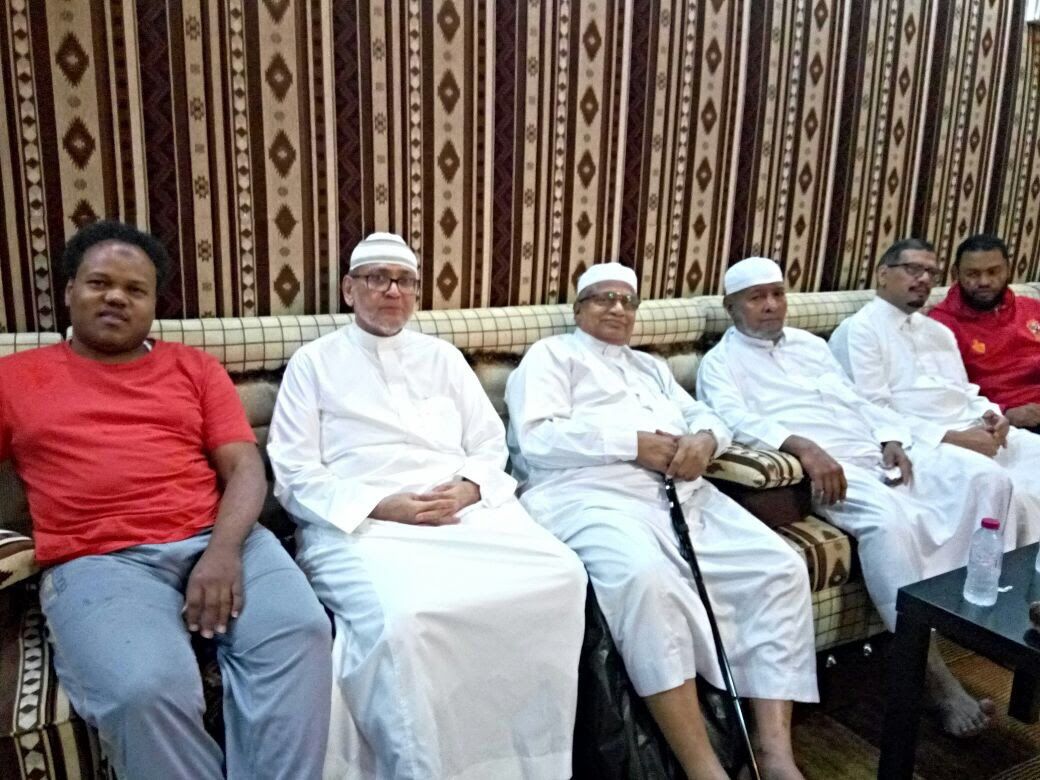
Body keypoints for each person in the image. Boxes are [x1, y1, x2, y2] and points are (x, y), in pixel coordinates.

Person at [0, 220, 332, 779]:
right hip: (99, 560)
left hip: (220, 537)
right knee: (147, 688)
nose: (116, 297)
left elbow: (245, 467)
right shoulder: (15, 379)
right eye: (100, 283)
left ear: (153, 304)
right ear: (70, 291)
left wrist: (223, 552)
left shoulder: (193, 368)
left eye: (135, 289)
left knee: (301, 632)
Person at [267, 232, 587, 780]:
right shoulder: (313, 363)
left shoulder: (443, 357)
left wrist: (468, 487)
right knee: (405, 617)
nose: (392, 291)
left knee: (562, 574)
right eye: (377, 279)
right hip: (364, 524)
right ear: (349, 289)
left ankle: (527, 764)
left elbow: (489, 443)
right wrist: (381, 505)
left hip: (463, 512)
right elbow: (295, 473)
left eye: (405, 281)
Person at [504, 263, 818, 780]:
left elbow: (705, 415)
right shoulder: (551, 356)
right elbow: (537, 438)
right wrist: (632, 445)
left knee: (779, 568)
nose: (617, 309)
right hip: (588, 496)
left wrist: (706, 441)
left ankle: (775, 752)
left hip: (682, 494)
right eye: (603, 298)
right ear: (578, 309)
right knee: (646, 580)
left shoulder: (649, 367)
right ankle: (703, 768)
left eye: (627, 301)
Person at [697, 256, 1022, 738]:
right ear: (731, 307)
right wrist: (804, 448)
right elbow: (733, 421)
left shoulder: (811, 345)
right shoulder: (720, 363)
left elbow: (858, 399)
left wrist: (890, 436)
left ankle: (973, 623)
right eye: (756, 297)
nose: (770, 305)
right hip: (829, 468)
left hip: (876, 448)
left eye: (777, 294)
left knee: (986, 478)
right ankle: (935, 679)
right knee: (887, 524)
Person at [829, 238, 1040, 539]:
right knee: (994, 482)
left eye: (931, 272)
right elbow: (872, 411)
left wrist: (994, 416)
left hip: (975, 432)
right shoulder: (859, 330)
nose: (924, 279)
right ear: (883, 274)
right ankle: (994, 568)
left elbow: (965, 391)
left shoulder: (937, 331)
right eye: (913, 269)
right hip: (925, 444)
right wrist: (953, 438)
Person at [929, 234, 1040, 434]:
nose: (984, 281)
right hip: (1006, 422)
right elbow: (945, 394)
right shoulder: (939, 324)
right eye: (973, 274)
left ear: (1008, 270)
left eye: (993, 272)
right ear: (955, 274)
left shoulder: (1032, 307)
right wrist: (1005, 412)